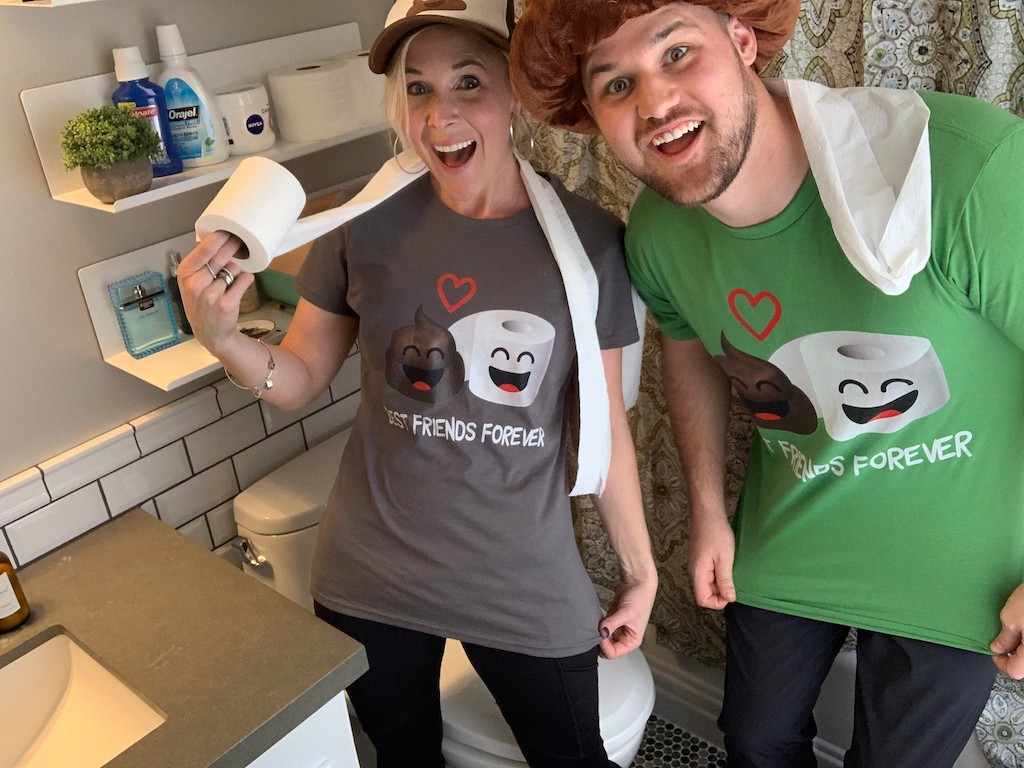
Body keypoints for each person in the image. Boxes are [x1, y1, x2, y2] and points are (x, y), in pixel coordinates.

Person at [510, 1, 1024, 767]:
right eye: (616, 85)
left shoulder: (964, 167)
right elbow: (687, 345)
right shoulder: (657, 230)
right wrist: (711, 512)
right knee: (753, 741)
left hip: (961, 556)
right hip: (794, 528)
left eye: (677, 52)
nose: (655, 103)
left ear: (744, 40)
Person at [178, 1, 658, 766]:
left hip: (521, 580)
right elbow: (298, 379)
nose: (441, 115)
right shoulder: (361, 225)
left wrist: (640, 574)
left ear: (515, 94)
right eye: (418, 87)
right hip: (371, 576)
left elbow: (604, 434)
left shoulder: (587, 241)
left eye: (469, 82)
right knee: (405, 759)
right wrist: (225, 337)